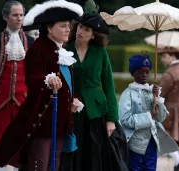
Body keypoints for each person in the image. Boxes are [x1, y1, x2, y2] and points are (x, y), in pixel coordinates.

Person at [0, 1, 84, 171]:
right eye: (63, 26)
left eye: (68, 26)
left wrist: (74, 99)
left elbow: (69, 84)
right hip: (43, 123)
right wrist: (47, 81)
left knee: (55, 165)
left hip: (61, 122)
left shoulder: (64, 52)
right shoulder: (38, 49)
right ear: (49, 28)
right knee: (40, 166)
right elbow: (33, 82)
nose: (68, 29)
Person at [63, 6, 128, 171]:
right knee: (73, 152)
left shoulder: (100, 53)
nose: (81, 31)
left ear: (93, 35)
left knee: (95, 154)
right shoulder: (65, 50)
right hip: (72, 109)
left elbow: (108, 85)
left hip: (96, 111)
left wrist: (111, 119)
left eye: (87, 30)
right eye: (80, 27)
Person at [0, 0, 34, 170]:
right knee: (1, 144)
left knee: (21, 144)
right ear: (5, 17)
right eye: (15, 15)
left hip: (23, 102)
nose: (19, 19)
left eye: (21, 15)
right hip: (0, 104)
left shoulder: (32, 43)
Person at [119, 54, 178, 171]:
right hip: (135, 144)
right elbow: (125, 119)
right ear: (133, 73)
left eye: (147, 72)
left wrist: (158, 98)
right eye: (141, 72)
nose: (145, 75)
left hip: (152, 143)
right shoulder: (128, 94)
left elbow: (161, 118)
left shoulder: (153, 92)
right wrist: (148, 116)